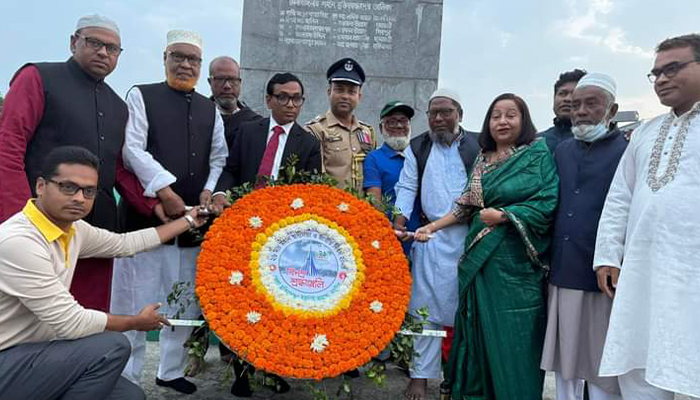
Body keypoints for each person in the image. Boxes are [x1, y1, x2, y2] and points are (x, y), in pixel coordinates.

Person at [0, 146, 209, 400]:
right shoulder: (20, 241)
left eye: (88, 191)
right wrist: (135, 323)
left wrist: (188, 221)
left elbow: (124, 244)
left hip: (41, 354)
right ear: (41, 186)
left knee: (131, 396)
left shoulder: (73, 229)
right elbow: (71, 323)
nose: (79, 198)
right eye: (68, 187)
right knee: (113, 345)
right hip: (7, 359)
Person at [0, 14, 157, 312]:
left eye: (112, 49)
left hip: (96, 234)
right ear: (74, 42)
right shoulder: (38, 78)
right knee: (33, 322)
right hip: (40, 230)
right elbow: (8, 148)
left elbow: (118, 170)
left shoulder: (118, 106)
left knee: (90, 319)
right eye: (94, 43)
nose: (103, 52)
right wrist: (17, 221)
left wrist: (156, 205)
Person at [416, 93, 558, 400]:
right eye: (496, 116)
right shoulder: (482, 158)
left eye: (511, 115)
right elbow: (466, 206)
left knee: (513, 337)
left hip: (515, 265)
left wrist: (506, 215)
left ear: (524, 120)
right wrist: (431, 227)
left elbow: (547, 202)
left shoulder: (536, 154)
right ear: (487, 122)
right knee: (476, 329)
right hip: (480, 261)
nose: (503, 122)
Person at [110, 29, 227, 394]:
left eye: (193, 59)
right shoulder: (141, 95)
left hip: (194, 221)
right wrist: (165, 191)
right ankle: (126, 375)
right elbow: (132, 150)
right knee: (136, 299)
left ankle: (170, 370)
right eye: (179, 56)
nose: (186, 64)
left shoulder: (209, 107)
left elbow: (219, 155)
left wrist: (209, 190)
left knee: (184, 299)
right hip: (150, 218)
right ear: (165, 57)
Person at [593, 33, 700, 400]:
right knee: (637, 361)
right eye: (655, 73)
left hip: (691, 273)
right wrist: (608, 254)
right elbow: (620, 196)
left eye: (673, 68)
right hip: (641, 272)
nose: (662, 79)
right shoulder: (645, 132)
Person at [540, 73, 626, 400]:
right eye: (576, 105)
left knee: (604, 365)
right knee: (566, 363)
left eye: (592, 104)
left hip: (605, 276)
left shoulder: (627, 151)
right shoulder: (562, 150)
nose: (581, 111)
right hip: (564, 270)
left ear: (612, 109)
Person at [394, 89, 480, 400]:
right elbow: (407, 187)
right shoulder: (418, 146)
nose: (440, 118)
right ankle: (420, 377)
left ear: (460, 114)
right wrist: (400, 223)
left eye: (447, 112)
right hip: (429, 238)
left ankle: (455, 377)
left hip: (469, 238)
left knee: (464, 313)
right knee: (424, 311)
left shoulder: (479, 144)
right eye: (434, 113)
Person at [213, 72, 321, 193]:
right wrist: (220, 193)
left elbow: (311, 189)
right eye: (283, 97)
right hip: (243, 204)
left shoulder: (310, 144)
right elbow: (230, 170)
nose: (291, 105)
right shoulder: (247, 132)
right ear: (268, 100)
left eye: (296, 99)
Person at [305, 57, 376, 192]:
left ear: (359, 97)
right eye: (339, 90)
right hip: (331, 208)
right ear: (329, 92)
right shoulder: (316, 130)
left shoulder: (367, 131)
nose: (345, 96)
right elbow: (316, 179)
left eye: (351, 92)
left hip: (363, 209)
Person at [363, 100, 421, 255]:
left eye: (403, 121)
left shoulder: (419, 155)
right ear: (381, 128)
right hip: (389, 236)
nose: (399, 126)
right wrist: (387, 226)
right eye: (392, 122)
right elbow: (374, 199)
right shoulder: (374, 158)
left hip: (421, 237)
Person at [207, 56, 262, 147]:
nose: (227, 86)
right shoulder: (198, 116)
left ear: (240, 82)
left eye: (233, 80)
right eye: (220, 79)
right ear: (210, 82)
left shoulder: (255, 123)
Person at [540, 69, 587, 153]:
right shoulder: (537, 142)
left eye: (574, 94)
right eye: (562, 93)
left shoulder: (595, 142)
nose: (567, 99)